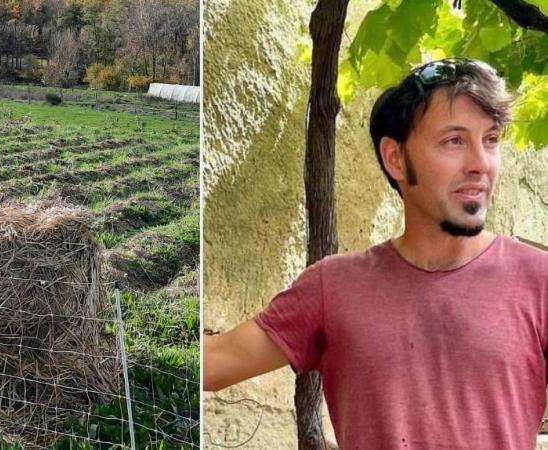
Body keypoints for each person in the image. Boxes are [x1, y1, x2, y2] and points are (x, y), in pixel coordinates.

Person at [203, 58, 548, 450]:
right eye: (454, 141)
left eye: (490, 140)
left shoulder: (540, 280)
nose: (480, 164)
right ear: (395, 158)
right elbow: (213, 365)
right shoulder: (332, 287)